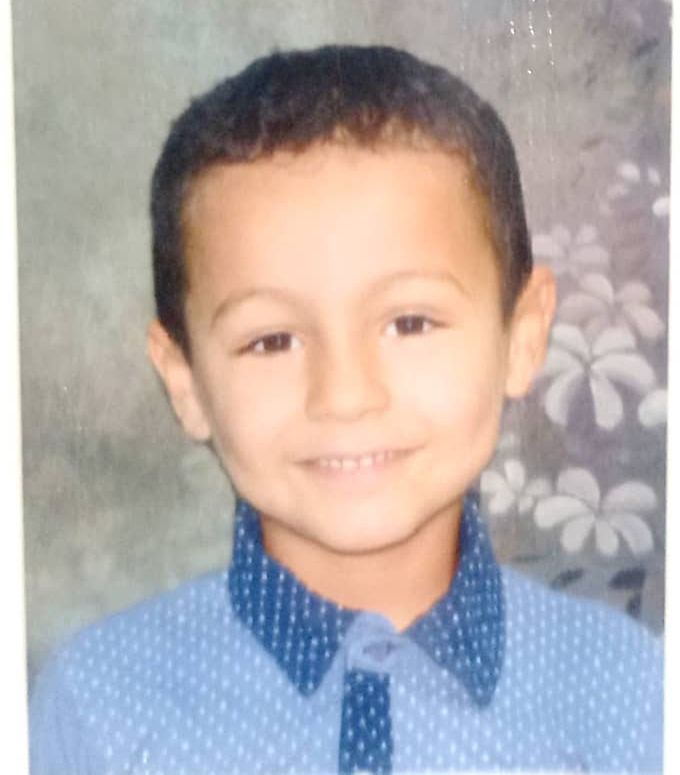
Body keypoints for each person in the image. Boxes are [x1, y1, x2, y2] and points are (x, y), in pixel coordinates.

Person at [29, 45, 663, 775]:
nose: (345, 396)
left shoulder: (633, 698)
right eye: (272, 340)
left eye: (410, 323)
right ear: (186, 382)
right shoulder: (97, 708)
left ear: (521, 337)